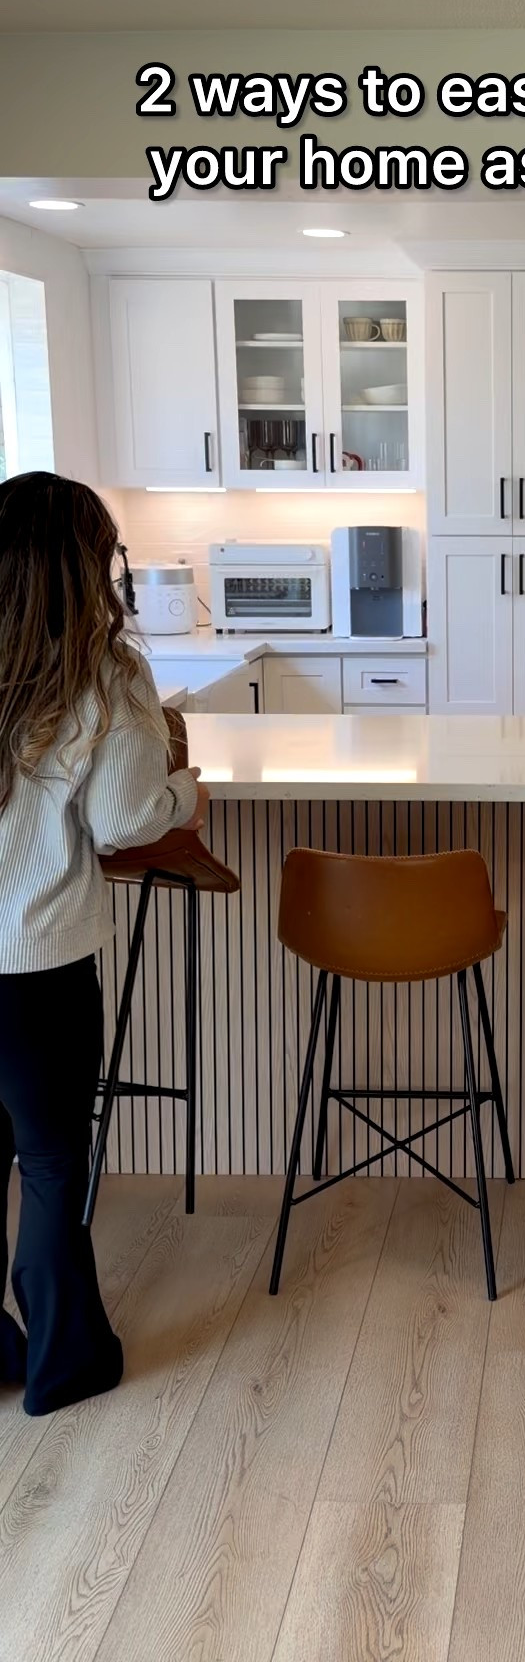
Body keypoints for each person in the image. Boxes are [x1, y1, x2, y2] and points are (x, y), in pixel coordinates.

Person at [0, 472, 208, 1416]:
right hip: (35, 965)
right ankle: (63, 1362)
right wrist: (187, 791)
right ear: (90, 562)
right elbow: (126, 818)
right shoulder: (102, 668)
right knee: (48, 1164)